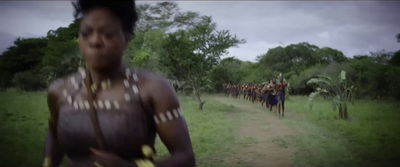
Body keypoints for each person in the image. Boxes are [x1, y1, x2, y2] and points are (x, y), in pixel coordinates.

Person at [43, 1, 195, 166]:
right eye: (86, 33)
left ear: (126, 40)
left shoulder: (153, 90)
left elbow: (185, 158)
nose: (94, 41)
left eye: (107, 34)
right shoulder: (60, 91)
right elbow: (53, 138)